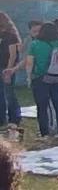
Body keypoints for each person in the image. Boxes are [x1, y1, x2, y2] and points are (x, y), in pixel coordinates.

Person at [18, 21, 58, 138]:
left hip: (40, 78)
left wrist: (29, 78)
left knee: (42, 107)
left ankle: (45, 133)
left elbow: (30, 63)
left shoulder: (35, 44)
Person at [0, 12, 22, 140]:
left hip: (6, 67)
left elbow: (12, 55)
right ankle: (1, 117)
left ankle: (15, 118)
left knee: (9, 93)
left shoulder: (11, 36)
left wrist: (8, 70)